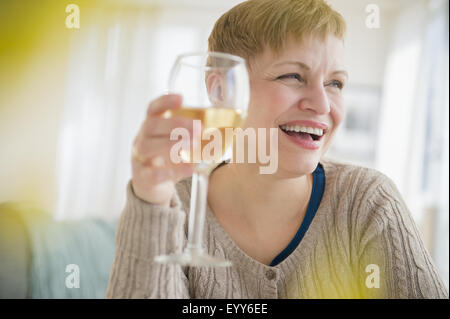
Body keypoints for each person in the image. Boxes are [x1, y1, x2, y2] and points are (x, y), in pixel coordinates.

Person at [106, 0, 448, 298]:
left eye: (335, 83)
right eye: (292, 77)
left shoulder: (368, 202)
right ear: (222, 88)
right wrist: (150, 198)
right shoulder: (172, 206)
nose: (322, 104)